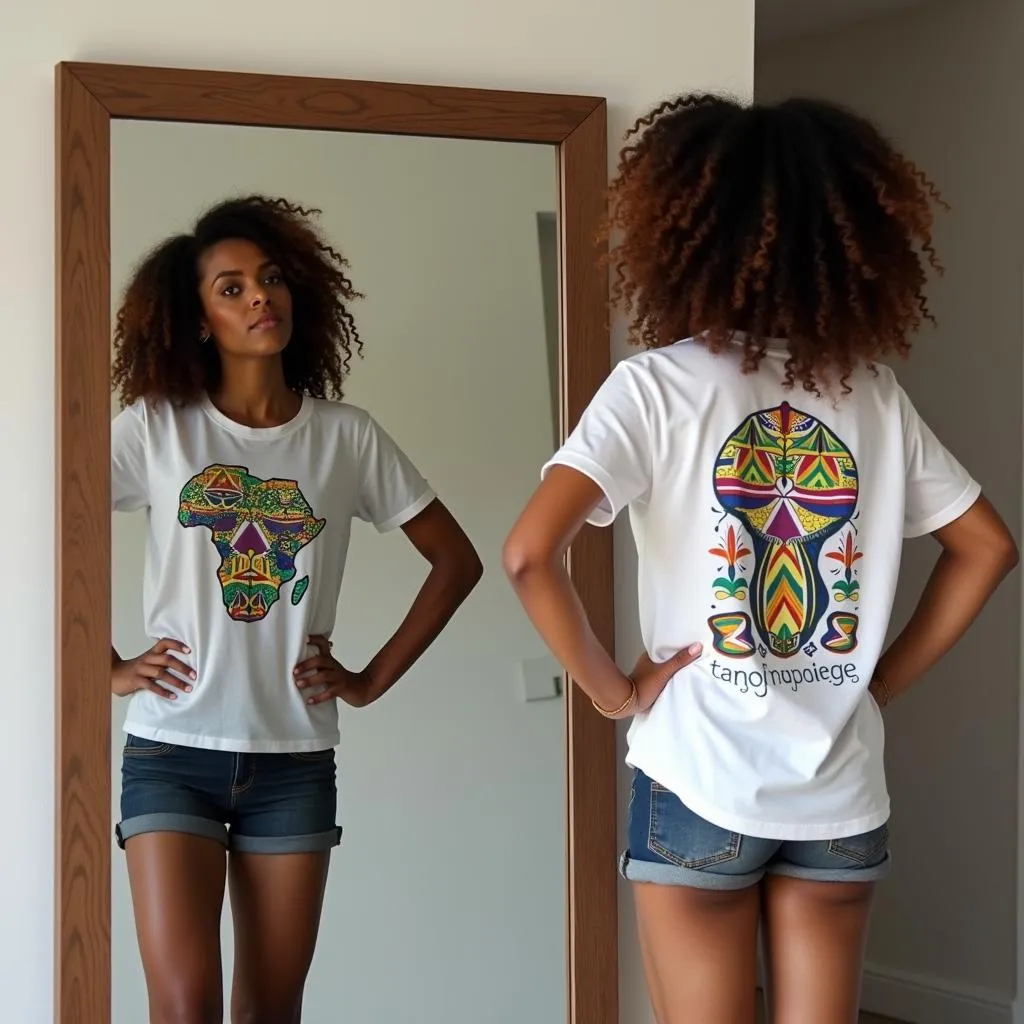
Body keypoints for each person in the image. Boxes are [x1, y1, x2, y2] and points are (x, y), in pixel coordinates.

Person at [503, 95, 1018, 1024]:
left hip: (700, 778)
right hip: (840, 793)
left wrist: (617, 694)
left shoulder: (654, 387)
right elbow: (987, 548)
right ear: (846, 232)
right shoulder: (872, 394)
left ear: (680, 231)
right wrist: (874, 681)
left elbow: (529, 554)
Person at [110, 195, 483, 1024]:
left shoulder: (347, 438)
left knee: (273, 1011)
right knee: (183, 1008)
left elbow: (456, 562)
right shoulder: (155, 430)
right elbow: (43, 523)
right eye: (231, 288)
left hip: (294, 764)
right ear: (198, 316)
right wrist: (103, 665)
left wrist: (368, 679)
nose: (258, 299)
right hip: (172, 750)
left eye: (270, 280)